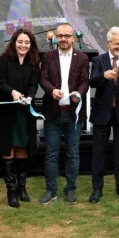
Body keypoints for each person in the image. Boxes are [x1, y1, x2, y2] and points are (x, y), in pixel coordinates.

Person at [39, 24, 89, 205]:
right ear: (55, 38)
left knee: (73, 154)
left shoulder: (82, 57)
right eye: (60, 36)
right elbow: (42, 78)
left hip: (73, 115)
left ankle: (70, 190)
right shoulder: (48, 56)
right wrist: (52, 90)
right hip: (53, 113)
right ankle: (51, 191)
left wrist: (79, 94)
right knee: (51, 154)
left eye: (67, 36)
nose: (63, 39)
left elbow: (85, 81)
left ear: (73, 38)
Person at [88, 26, 119, 203]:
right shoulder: (99, 61)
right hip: (102, 114)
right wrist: (104, 75)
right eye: (117, 44)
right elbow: (92, 82)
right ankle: (97, 190)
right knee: (99, 153)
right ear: (109, 43)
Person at [0, 28, 41, 208]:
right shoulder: (4, 60)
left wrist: (29, 97)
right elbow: (0, 82)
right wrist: (13, 92)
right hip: (7, 112)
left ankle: (22, 188)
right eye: (20, 42)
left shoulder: (34, 62)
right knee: (9, 147)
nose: (23, 45)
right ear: (14, 42)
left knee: (23, 146)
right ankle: (11, 191)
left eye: (27, 42)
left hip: (25, 111)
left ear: (31, 45)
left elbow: (33, 85)